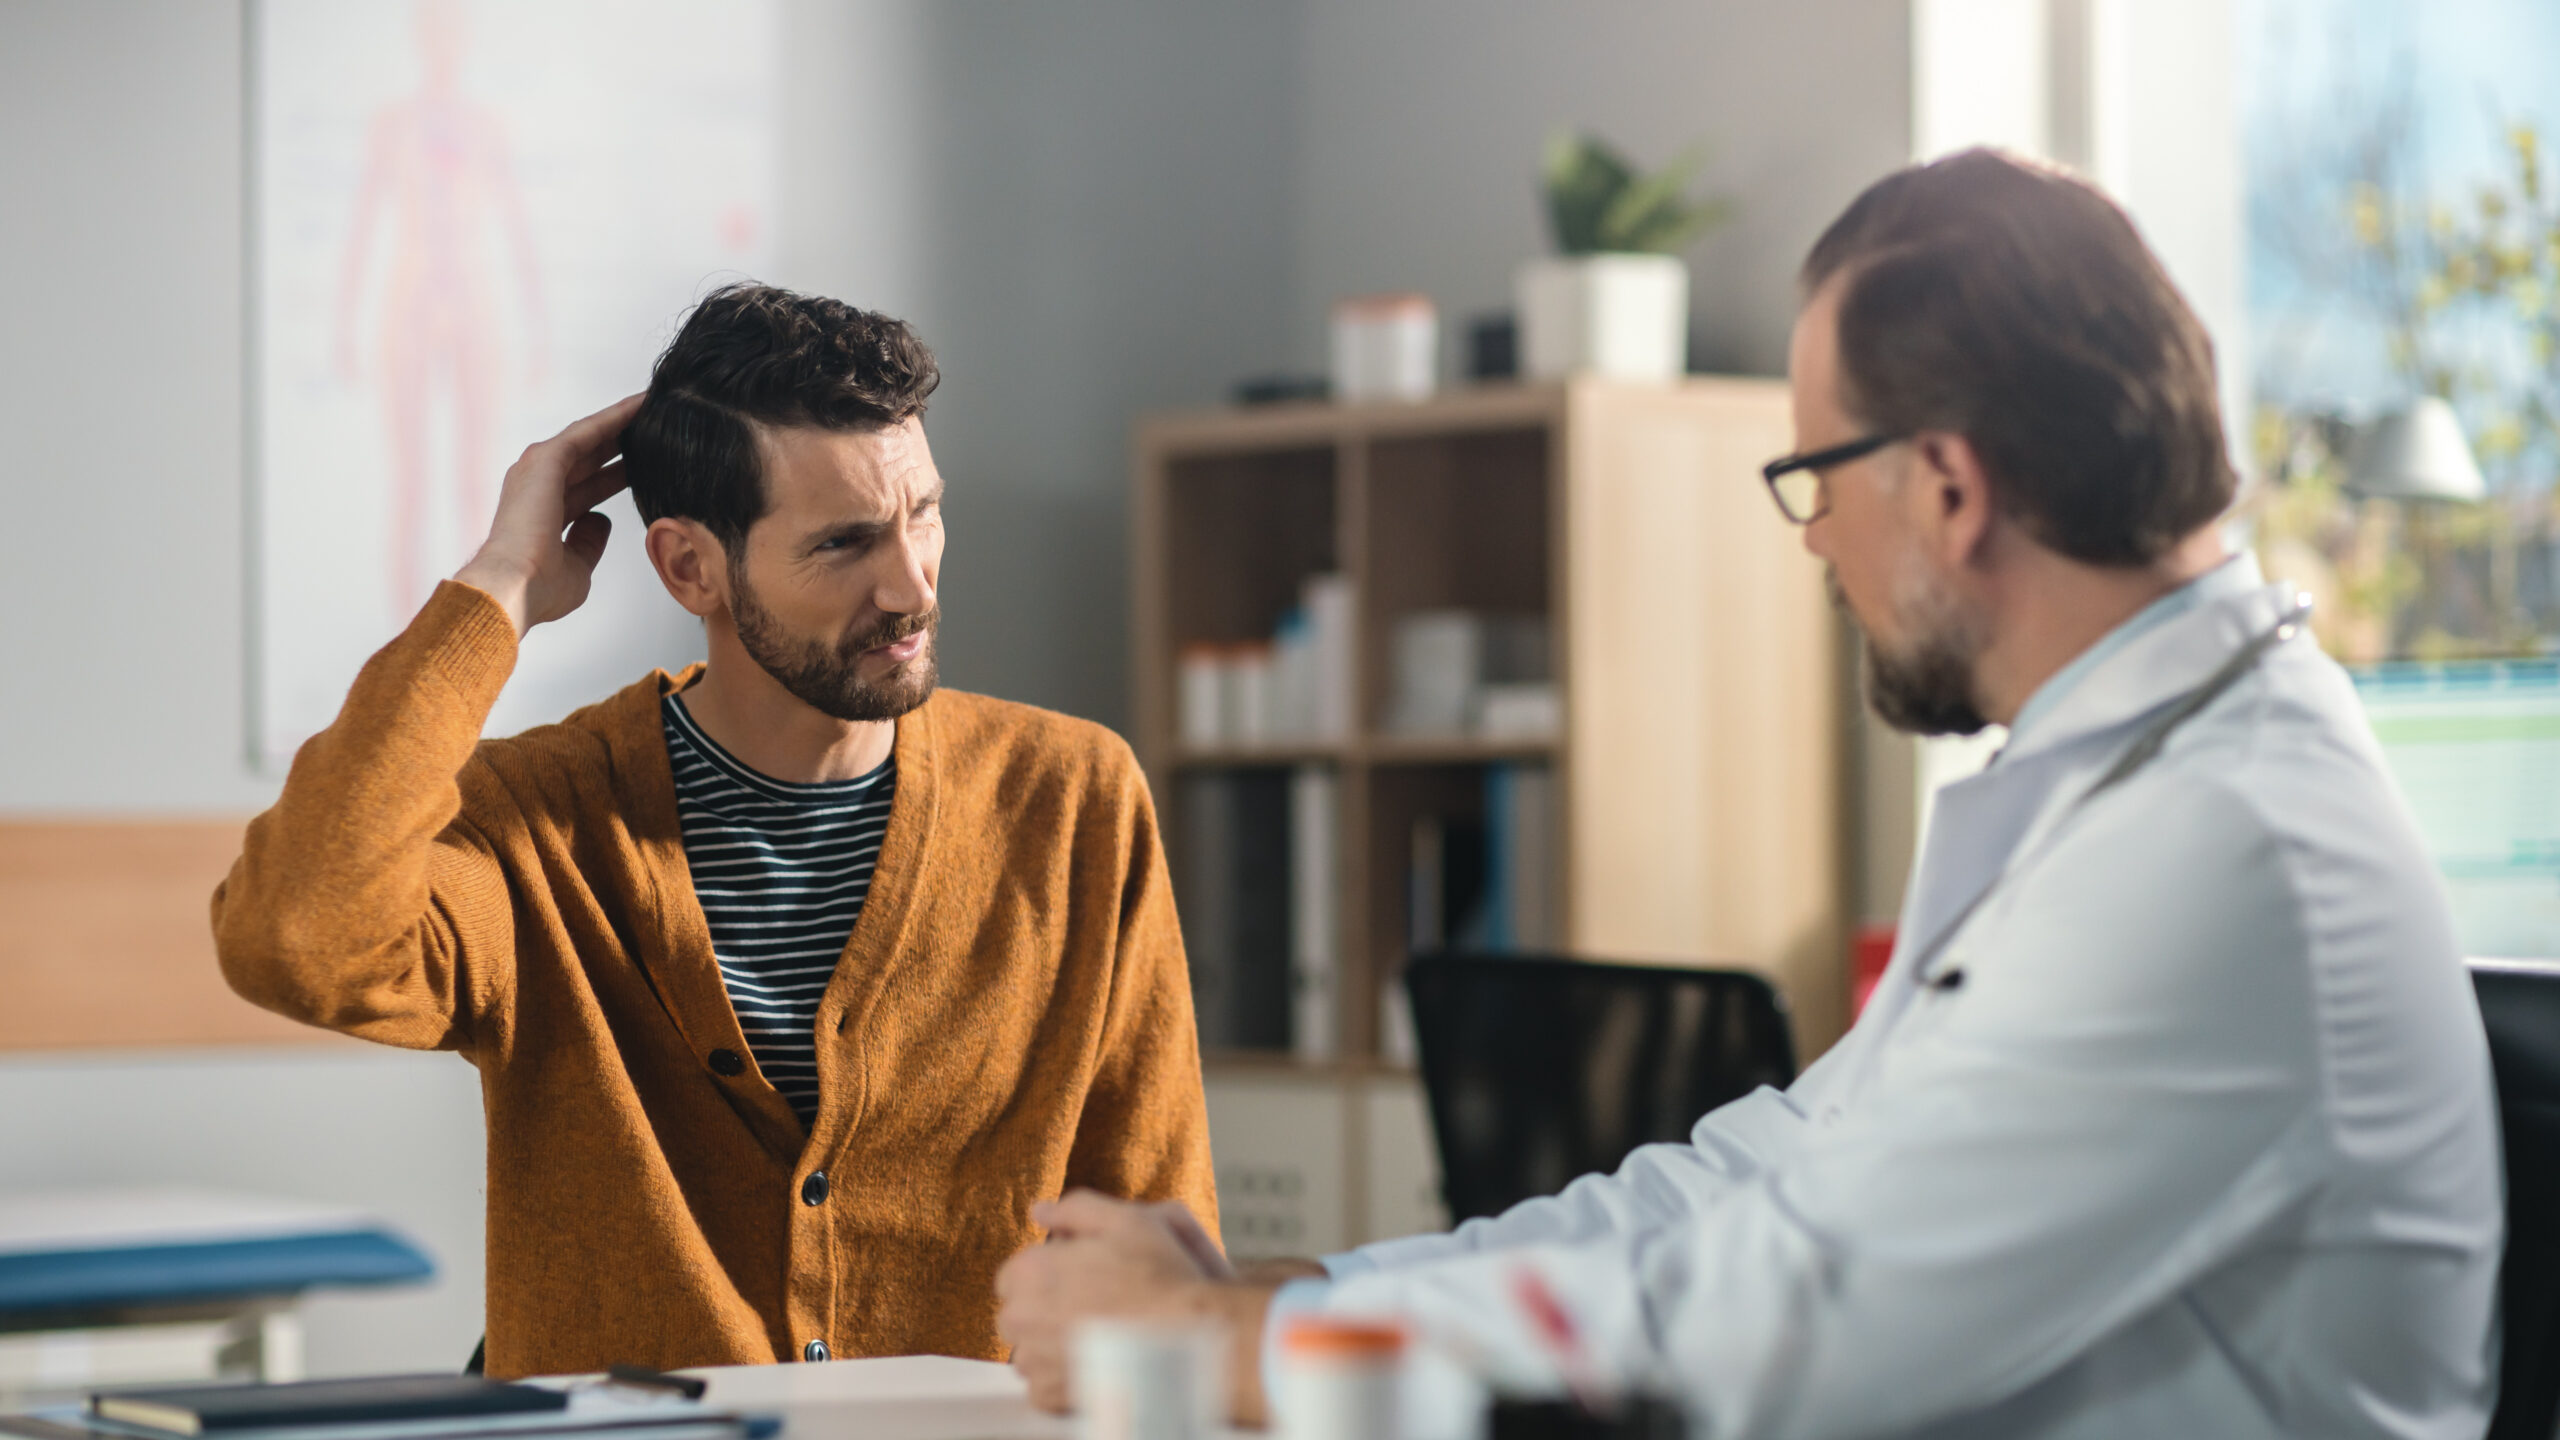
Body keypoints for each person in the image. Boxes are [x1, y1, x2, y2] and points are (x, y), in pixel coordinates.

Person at [993, 150, 2502, 1439]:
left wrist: (1230, 1352)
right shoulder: (2122, 788)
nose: (1812, 545)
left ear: (1951, 488)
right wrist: (1298, 1294)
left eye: (1816, 482)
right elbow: (1761, 1178)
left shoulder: (2221, 847)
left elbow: (1780, 1326)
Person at [216, 284, 1216, 1377]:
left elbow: (1158, 1226)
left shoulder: (1070, 798)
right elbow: (295, 936)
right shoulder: (543, 825)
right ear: (692, 566)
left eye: (922, 513)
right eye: (844, 544)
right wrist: (498, 588)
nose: (911, 584)